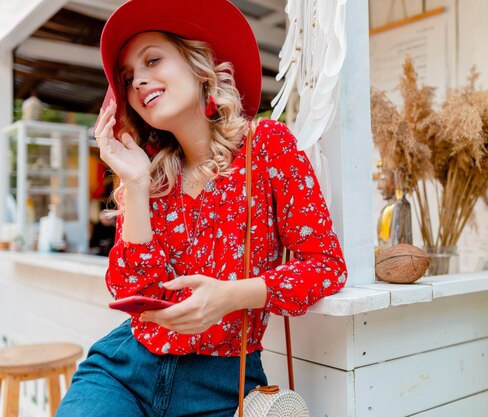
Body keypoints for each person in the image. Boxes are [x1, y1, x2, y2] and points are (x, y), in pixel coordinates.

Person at [56, 0, 347, 416]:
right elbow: (132, 292)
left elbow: (325, 266)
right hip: (124, 370)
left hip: (223, 384)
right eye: (128, 77)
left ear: (199, 65)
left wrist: (229, 296)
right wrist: (135, 184)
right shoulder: (150, 177)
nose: (138, 80)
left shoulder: (267, 146)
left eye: (152, 60)